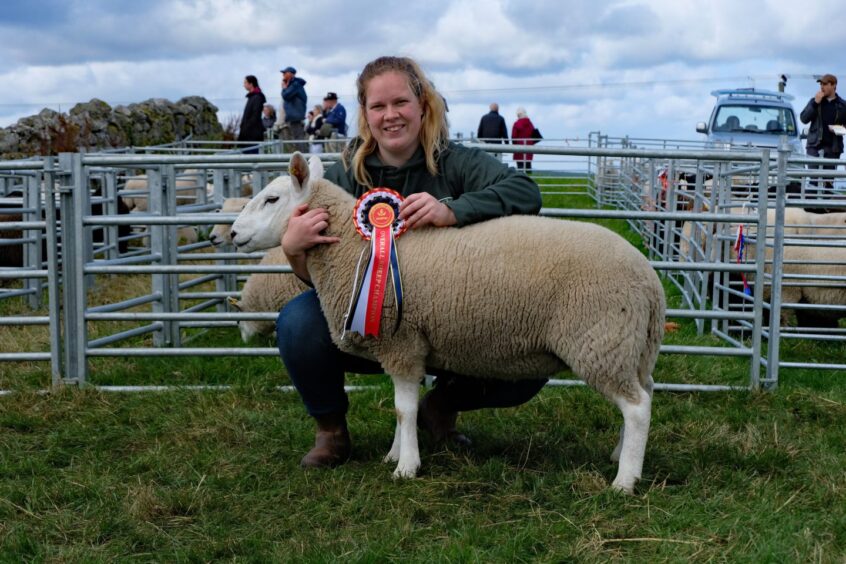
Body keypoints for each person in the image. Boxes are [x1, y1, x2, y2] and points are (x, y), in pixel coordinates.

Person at [276, 55, 546, 468]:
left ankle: (441, 405)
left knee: (531, 353)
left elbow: (525, 191)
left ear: (422, 104)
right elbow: (323, 279)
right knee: (298, 322)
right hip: (377, 322)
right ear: (365, 114)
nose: (390, 116)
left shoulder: (456, 161)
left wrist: (454, 208)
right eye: (378, 107)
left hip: (457, 315)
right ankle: (330, 430)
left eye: (400, 102)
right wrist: (295, 248)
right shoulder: (348, 172)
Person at [800, 74, 846, 198]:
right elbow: (803, 118)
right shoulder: (815, 101)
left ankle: (825, 210)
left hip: (833, 148)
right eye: (821, 84)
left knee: (828, 182)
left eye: (825, 84)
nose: (822, 87)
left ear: (833, 85)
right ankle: (811, 210)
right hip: (814, 146)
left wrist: (837, 129)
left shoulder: (842, 105)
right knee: (814, 180)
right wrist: (815, 103)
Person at [280, 65, 308, 152]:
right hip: (293, 117)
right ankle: (298, 158)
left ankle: (302, 158)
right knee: (295, 140)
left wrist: (284, 88)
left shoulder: (296, 84)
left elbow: (286, 95)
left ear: (291, 74)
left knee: (298, 140)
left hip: (296, 117)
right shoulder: (293, 84)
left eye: (285, 73)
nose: (283, 75)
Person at [237, 75, 266, 154]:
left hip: (252, 135)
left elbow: (255, 116)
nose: (244, 85)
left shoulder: (257, 97)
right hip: (247, 135)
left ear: (251, 84)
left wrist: (246, 127)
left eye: (245, 82)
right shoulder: (252, 97)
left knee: (252, 158)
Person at [511, 107, 538, 172]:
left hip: (519, 149)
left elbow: (513, 137)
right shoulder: (530, 124)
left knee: (520, 169)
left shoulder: (516, 124)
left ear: (518, 115)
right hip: (529, 149)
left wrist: (514, 145)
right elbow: (533, 135)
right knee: (528, 169)